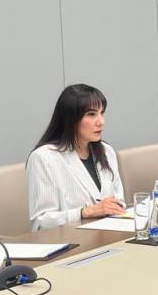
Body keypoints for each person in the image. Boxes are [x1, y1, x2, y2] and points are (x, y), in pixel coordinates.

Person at [26, 84, 125, 230]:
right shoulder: (43, 158)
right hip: (70, 241)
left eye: (102, 113)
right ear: (71, 119)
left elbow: (119, 202)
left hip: (111, 235)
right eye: (91, 114)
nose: (101, 122)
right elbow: (40, 223)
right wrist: (84, 213)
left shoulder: (107, 151)